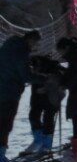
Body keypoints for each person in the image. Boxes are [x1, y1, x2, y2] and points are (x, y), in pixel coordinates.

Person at [0, 30, 41, 162]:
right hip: (9, 94)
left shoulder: (8, 45)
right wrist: (45, 79)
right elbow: (26, 76)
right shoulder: (20, 51)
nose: (34, 46)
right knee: (5, 125)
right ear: (30, 39)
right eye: (35, 43)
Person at [22, 53, 62, 156]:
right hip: (37, 97)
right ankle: (38, 141)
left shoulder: (51, 66)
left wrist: (47, 88)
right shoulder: (30, 64)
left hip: (51, 97)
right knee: (33, 116)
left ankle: (46, 146)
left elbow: (61, 78)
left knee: (48, 118)